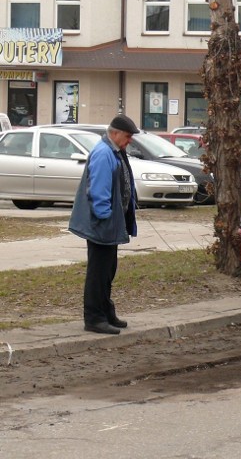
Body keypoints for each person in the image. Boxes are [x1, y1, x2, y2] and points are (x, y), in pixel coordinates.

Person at [68, 115, 139, 335]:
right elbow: (98, 190)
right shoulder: (103, 153)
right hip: (103, 223)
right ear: (115, 133)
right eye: (127, 136)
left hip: (110, 222)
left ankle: (106, 312)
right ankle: (94, 318)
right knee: (98, 272)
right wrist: (105, 216)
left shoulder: (113, 151)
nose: (129, 141)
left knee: (108, 270)